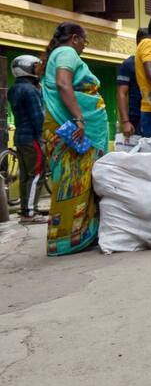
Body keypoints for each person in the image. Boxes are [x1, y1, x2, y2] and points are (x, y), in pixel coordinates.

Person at [40, 22, 108, 256]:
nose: (85, 47)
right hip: (71, 128)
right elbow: (63, 83)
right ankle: (67, 239)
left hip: (71, 128)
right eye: (85, 41)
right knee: (73, 183)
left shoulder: (57, 53)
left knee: (79, 182)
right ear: (75, 38)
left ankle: (80, 235)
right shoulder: (66, 52)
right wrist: (79, 118)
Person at [8, 55, 47, 224]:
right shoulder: (31, 91)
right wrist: (44, 137)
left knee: (25, 175)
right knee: (37, 174)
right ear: (27, 69)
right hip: (32, 138)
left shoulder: (14, 89)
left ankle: (26, 208)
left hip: (20, 137)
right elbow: (38, 117)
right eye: (36, 67)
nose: (39, 70)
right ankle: (30, 213)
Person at [116, 28, 148, 137]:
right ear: (139, 42)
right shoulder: (129, 64)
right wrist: (125, 122)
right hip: (136, 119)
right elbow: (121, 93)